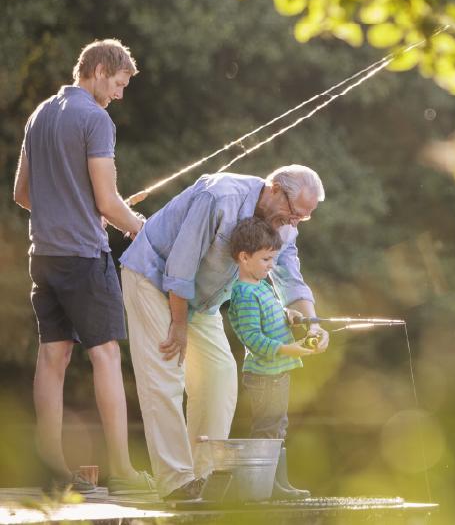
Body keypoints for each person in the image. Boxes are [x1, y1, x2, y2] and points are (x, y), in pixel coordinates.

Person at [120, 164, 329, 501]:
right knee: (165, 375)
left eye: (302, 218)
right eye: (293, 212)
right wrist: (178, 324)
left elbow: (290, 273)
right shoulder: (219, 196)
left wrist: (312, 323)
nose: (294, 222)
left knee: (219, 375)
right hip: (154, 278)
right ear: (275, 188)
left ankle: (203, 476)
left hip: (202, 300)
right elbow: (181, 265)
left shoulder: (284, 226)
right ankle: (176, 481)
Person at [13, 39, 155, 495]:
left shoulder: (39, 115)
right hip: (83, 258)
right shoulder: (95, 119)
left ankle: (51, 468)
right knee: (107, 355)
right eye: (118, 84)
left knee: (52, 356)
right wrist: (140, 229)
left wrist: (69, 209)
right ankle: (122, 470)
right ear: (96, 69)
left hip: (44, 257)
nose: (119, 94)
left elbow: (22, 193)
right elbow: (109, 203)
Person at [228, 216, 319, 499]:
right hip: (264, 376)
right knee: (266, 429)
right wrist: (288, 349)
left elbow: (271, 316)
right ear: (244, 257)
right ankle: (265, 487)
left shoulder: (263, 285)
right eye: (266, 259)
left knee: (278, 427)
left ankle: (279, 484)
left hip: (278, 373)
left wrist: (288, 314)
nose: (271, 266)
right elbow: (253, 339)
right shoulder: (243, 293)